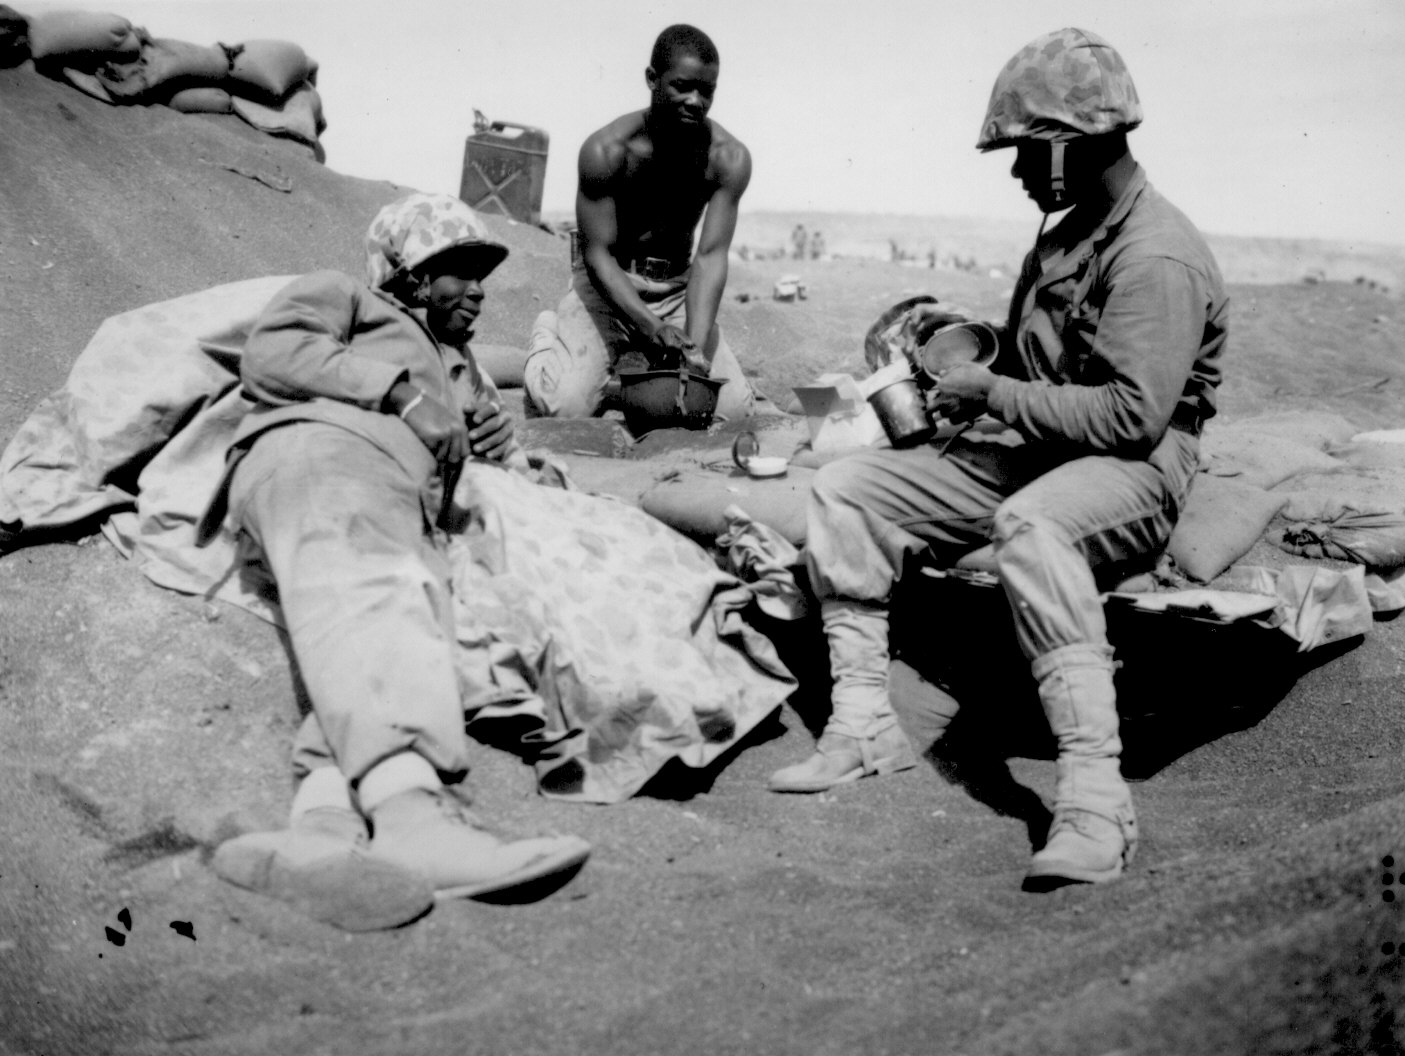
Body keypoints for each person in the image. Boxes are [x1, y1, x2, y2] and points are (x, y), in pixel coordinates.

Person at [769, 28, 1228, 892]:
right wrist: (965, 384)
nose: (1017, 173)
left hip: (1134, 465)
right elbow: (1036, 373)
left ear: (1064, 146)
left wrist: (995, 396)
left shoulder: (1153, 254)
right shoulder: (1066, 236)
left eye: (1022, 153)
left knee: (1031, 528)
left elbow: (1131, 418)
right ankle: (864, 725)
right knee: (847, 488)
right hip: (1044, 443)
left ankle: (1094, 800)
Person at [211, 192, 591, 929]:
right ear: (408, 274)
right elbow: (272, 352)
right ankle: (413, 818)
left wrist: (496, 450)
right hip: (325, 452)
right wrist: (401, 394)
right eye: (458, 270)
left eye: (483, 273)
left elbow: (491, 460)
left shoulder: (461, 367)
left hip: (401, 507)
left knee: (398, 613)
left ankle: (321, 829)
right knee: (370, 584)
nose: (478, 290)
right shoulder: (348, 298)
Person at [523, 23, 761, 421]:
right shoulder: (607, 150)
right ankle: (550, 336)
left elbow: (710, 257)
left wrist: (693, 352)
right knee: (565, 405)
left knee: (729, 410)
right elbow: (596, 253)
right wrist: (652, 328)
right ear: (652, 79)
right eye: (681, 86)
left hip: (675, 291)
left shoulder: (728, 158)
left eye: (707, 91)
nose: (695, 101)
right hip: (607, 287)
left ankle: (634, 373)